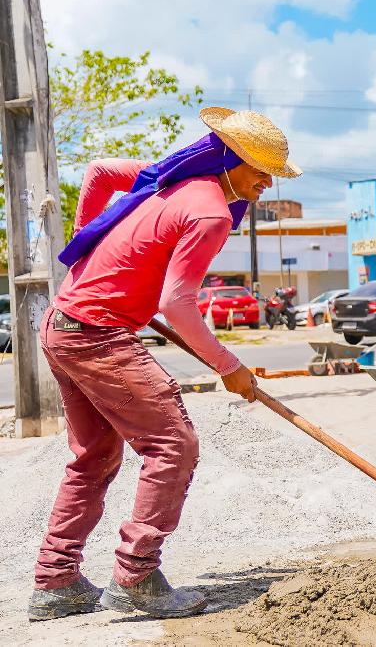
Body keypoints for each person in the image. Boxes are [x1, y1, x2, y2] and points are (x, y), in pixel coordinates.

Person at [27, 108, 301, 622]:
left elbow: (99, 172)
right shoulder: (210, 212)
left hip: (62, 325)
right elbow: (178, 304)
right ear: (231, 159)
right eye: (260, 170)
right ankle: (136, 576)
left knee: (94, 456)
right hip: (96, 333)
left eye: (273, 173)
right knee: (174, 444)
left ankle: (55, 581)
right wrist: (228, 366)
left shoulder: (171, 178)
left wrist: (89, 243)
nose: (267, 183)